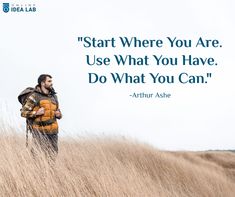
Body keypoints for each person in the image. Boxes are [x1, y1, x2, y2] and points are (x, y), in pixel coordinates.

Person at [20, 74, 62, 163]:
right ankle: (37, 175)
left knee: (52, 157)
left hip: (53, 132)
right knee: (38, 157)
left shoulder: (54, 97)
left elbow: (58, 111)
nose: (51, 83)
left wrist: (59, 115)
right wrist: (36, 113)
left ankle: (49, 174)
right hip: (39, 132)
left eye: (51, 81)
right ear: (43, 83)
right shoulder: (34, 96)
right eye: (49, 81)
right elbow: (23, 112)